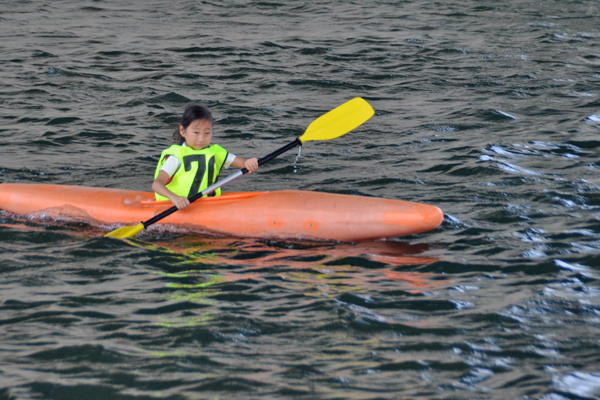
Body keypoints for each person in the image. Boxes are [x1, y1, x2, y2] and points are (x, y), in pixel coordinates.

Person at [152, 105, 258, 210]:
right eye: (196, 132)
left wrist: (249, 163)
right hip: (175, 207)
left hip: (209, 206)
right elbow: (157, 184)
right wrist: (174, 198)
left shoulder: (215, 152)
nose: (201, 139)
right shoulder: (176, 156)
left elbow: (243, 163)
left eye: (207, 133)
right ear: (183, 131)